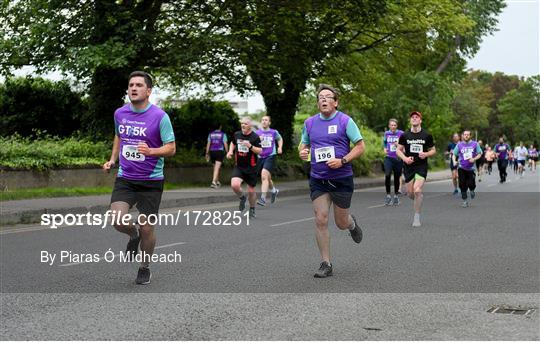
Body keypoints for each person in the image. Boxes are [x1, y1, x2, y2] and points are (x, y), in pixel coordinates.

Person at [102, 71, 176, 285]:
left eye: (138, 85)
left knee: (147, 227)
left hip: (151, 180)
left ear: (149, 91)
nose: (133, 88)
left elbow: (171, 148)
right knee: (117, 220)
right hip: (126, 178)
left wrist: (151, 152)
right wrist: (112, 160)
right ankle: (132, 235)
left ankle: (144, 267)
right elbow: (119, 136)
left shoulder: (160, 117)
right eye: (131, 85)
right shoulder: (120, 113)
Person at [299, 84, 364, 278]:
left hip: (341, 177)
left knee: (341, 222)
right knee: (320, 219)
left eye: (328, 97)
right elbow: (304, 144)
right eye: (320, 97)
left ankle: (352, 224)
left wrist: (342, 160)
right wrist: (302, 152)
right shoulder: (310, 123)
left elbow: (360, 146)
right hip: (319, 178)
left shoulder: (345, 121)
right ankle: (326, 263)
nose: (324, 100)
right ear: (318, 102)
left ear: (335, 102)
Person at [396, 111, 436, 227]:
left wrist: (426, 154)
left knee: (417, 190)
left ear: (420, 120)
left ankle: (416, 217)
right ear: (410, 120)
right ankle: (418, 197)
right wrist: (405, 158)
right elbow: (398, 150)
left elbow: (433, 150)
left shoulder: (427, 135)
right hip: (408, 166)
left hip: (421, 166)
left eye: (416, 117)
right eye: (412, 117)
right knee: (410, 193)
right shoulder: (405, 135)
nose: (414, 119)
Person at [226, 117, 262, 218]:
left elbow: (260, 151)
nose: (243, 125)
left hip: (251, 168)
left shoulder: (255, 137)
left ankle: (252, 208)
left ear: (250, 125)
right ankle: (242, 198)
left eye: (245, 124)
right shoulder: (237, 134)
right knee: (234, 185)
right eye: (242, 123)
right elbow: (232, 143)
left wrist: (250, 146)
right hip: (239, 167)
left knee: (251, 191)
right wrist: (230, 151)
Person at [255, 115, 283, 206]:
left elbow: (279, 139)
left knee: (264, 175)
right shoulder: (257, 133)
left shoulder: (274, 132)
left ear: (269, 122)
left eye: (266, 120)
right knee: (267, 178)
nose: (264, 121)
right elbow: (252, 144)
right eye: (262, 120)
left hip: (270, 156)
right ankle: (274, 191)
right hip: (260, 157)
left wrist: (280, 147)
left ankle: (263, 198)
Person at [452, 130, 482, 208]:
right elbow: (454, 154)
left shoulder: (475, 144)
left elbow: (480, 153)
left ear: (470, 136)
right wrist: (454, 161)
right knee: (462, 184)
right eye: (464, 135)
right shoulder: (459, 145)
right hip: (461, 167)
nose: (466, 136)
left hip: (471, 168)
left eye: (467, 135)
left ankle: (472, 190)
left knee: (471, 184)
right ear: (463, 136)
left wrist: (474, 159)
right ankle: (464, 201)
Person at [382, 118, 404, 205]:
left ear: (397, 126)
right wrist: (384, 148)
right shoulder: (387, 133)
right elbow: (384, 142)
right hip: (389, 157)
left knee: (396, 177)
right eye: (391, 125)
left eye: (394, 125)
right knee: (387, 175)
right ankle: (388, 196)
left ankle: (395, 196)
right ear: (389, 126)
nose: (393, 127)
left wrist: (397, 145)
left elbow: (404, 145)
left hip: (398, 158)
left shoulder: (401, 133)